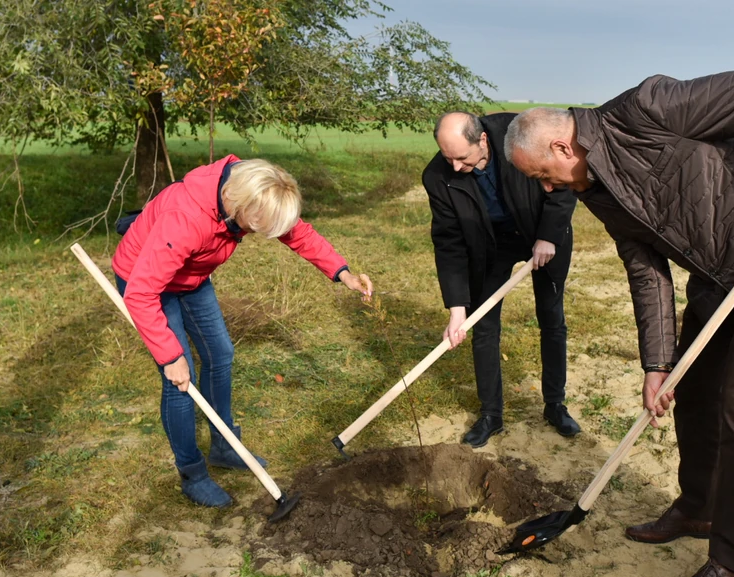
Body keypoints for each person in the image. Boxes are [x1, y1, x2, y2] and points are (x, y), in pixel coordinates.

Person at [503, 71, 734, 577]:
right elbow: (646, 271)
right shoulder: (592, 186)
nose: (547, 189)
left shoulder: (645, 110)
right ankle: (698, 508)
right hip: (718, 274)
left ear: (561, 145)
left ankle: (732, 565)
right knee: (690, 391)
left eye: (544, 176)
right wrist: (657, 364)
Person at [112, 156, 372, 508]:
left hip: (191, 276)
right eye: (259, 227)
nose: (264, 235)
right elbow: (141, 293)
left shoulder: (253, 191)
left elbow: (299, 233)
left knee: (220, 354)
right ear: (241, 206)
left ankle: (224, 445)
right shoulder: (187, 219)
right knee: (179, 380)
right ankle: (193, 473)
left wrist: (344, 274)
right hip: (145, 281)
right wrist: (170, 356)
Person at [422, 111, 579, 448]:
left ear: (482, 140)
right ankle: (491, 415)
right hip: (490, 245)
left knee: (552, 320)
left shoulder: (520, 132)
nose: (454, 167)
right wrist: (456, 307)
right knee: (485, 326)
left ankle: (555, 405)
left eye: (461, 158)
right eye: (447, 157)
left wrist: (549, 235)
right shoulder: (438, 176)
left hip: (542, 234)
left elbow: (563, 181)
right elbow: (448, 242)